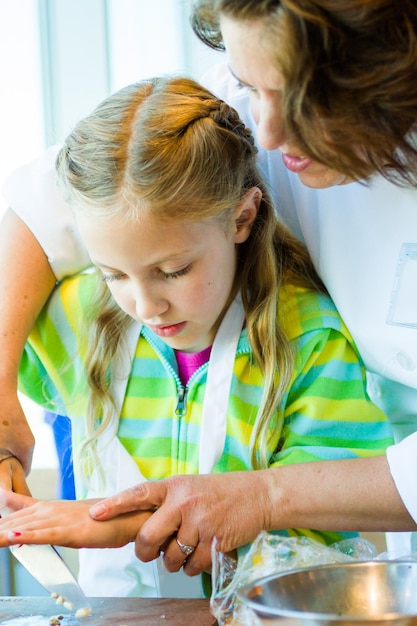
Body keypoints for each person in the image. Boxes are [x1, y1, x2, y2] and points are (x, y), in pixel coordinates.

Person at [0, 0, 417, 575]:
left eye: (302, 97)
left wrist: (247, 500)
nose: (266, 134)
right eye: (250, 85)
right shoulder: (236, 125)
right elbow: (54, 202)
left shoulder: (311, 343)